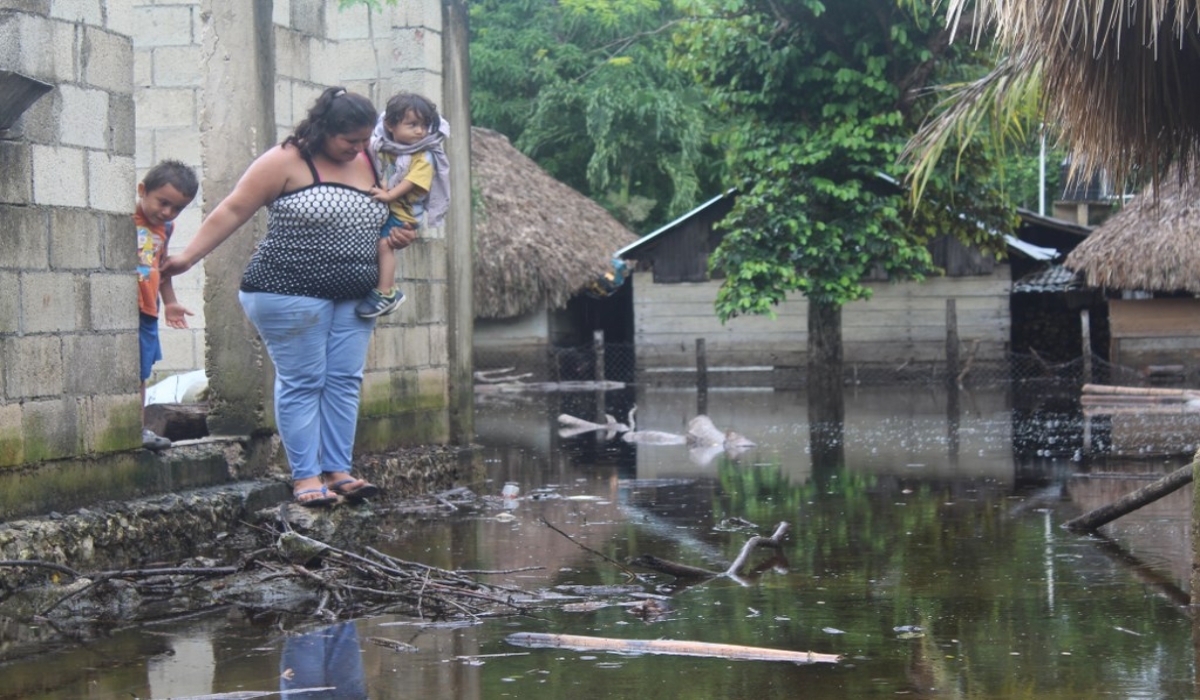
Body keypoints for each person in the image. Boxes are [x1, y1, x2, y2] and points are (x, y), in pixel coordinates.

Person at [160, 86, 416, 507]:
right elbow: (232, 210)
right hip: (287, 290)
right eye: (348, 140)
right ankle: (305, 478)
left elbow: (388, 215)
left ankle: (338, 471)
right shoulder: (285, 160)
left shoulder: (372, 159)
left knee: (344, 382)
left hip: (356, 294)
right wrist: (187, 257)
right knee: (304, 382)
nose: (357, 148)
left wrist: (399, 235)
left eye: (363, 139)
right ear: (323, 130)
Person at [357, 91, 451, 319]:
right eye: (413, 125)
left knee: (384, 246)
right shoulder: (383, 147)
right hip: (391, 209)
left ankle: (387, 292)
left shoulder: (424, 155)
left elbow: (412, 181)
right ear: (390, 125)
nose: (420, 131)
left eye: (425, 125)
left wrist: (388, 195)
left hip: (404, 214)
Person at [136, 160, 199, 451]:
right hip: (127, 309)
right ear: (142, 191)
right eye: (163, 203)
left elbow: (161, 267)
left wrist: (171, 302)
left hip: (149, 310)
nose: (167, 213)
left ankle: (139, 429)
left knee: (141, 372)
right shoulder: (127, 217)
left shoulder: (166, 228)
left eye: (176, 208)